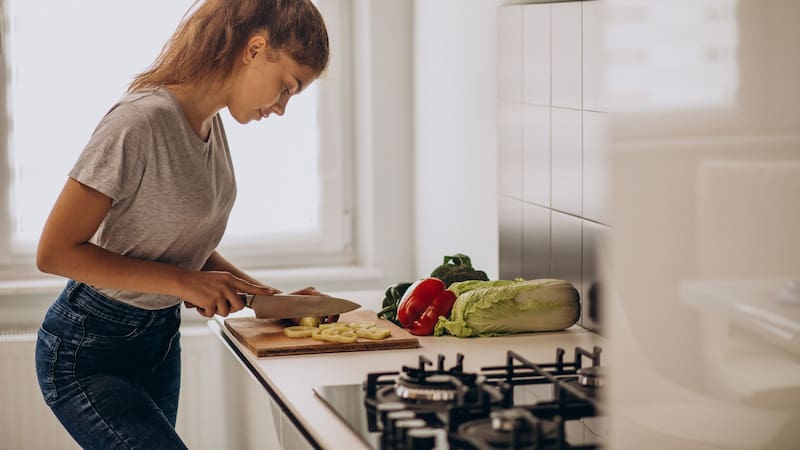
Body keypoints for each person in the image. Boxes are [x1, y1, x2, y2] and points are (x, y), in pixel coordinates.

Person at [33, 0, 329, 448]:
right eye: (287, 87)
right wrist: (185, 283)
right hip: (88, 352)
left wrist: (270, 299)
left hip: (159, 343)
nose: (282, 107)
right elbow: (54, 252)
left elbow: (177, 244)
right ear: (255, 48)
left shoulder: (210, 126)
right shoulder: (139, 122)